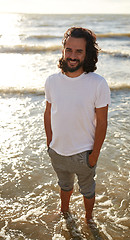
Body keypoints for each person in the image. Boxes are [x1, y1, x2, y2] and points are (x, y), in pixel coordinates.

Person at [44, 27, 111, 223]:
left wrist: (95, 154)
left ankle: (88, 219)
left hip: (84, 153)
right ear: (63, 50)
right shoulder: (52, 81)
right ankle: (64, 213)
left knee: (87, 190)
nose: (72, 56)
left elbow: (102, 122)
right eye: (69, 50)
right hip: (57, 151)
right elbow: (48, 112)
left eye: (79, 51)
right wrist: (50, 143)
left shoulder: (97, 83)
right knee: (64, 186)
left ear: (87, 53)